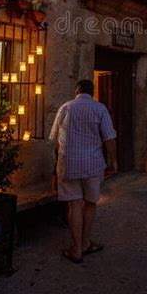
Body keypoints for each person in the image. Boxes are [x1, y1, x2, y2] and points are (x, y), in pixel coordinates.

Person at [49, 79, 117, 264]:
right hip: (92, 165)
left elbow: (55, 140)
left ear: (76, 91)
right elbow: (109, 138)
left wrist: (57, 166)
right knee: (90, 204)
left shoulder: (65, 108)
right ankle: (85, 242)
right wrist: (113, 161)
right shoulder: (100, 109)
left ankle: (77, 248)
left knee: (74, 205)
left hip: (68, 164)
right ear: (92, 92)